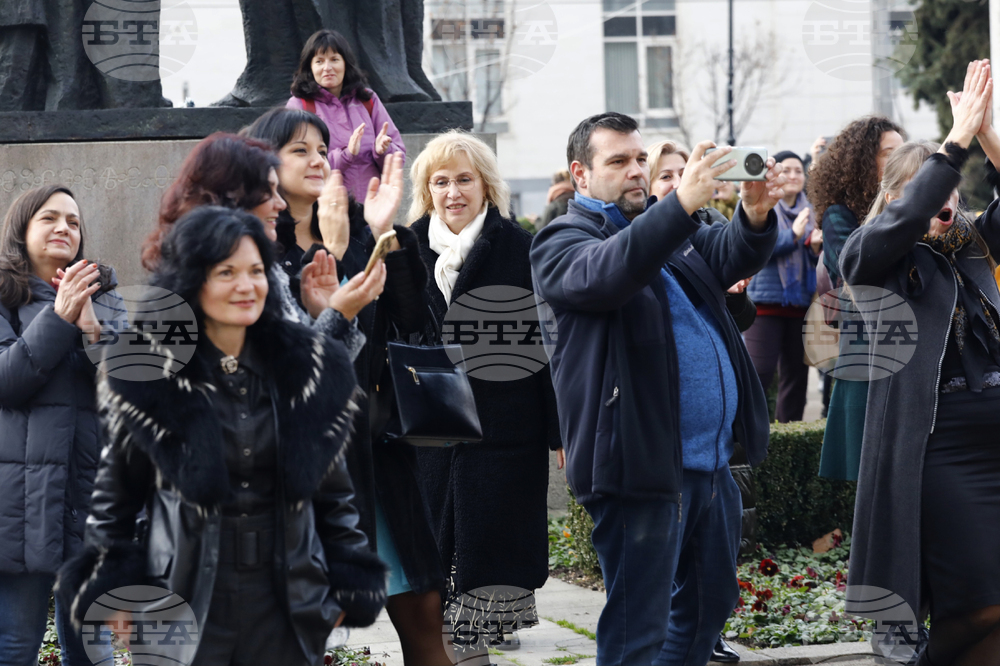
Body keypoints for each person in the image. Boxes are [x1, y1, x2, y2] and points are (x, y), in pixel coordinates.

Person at [57, 207, 388, 666]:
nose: (246, 285)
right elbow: (116, 501)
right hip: (181, 597)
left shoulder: (307, 370)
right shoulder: (148, 377)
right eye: (226, 272)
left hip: (287, 601)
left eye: (256, 271)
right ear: (194, 280)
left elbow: (334, 496)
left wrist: (348, 583)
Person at [531, 112, 782, 665]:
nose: (636, 172)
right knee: (636, 630)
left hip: (710, 466)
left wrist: (756, 214)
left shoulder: (668, 229)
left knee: (708, 608)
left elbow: (728, 255)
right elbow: (610, 272)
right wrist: (678, 206)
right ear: (580, 174)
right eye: (618, 162)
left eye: (640, 159)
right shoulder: (563, 239)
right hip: (637, 469)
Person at [246, 107, 451, 666]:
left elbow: (416, 326)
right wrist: (336, 255)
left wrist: (384, 234)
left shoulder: (364, 224)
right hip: (317, 468)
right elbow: (297, 348)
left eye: (320, 148)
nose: (317, 159)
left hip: (380, 445)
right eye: (299, 150)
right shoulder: (258, 247)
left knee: (424, 611)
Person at [843, 59, 1000, 666]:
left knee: (994, 609)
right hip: (940, 454)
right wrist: (953, 141)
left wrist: (985, 134)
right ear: (896, 199)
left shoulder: (973, 243)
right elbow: (903, 223)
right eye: (935, 194)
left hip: (994, 446)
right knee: (979, 603)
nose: (947, 207)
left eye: (954, 196)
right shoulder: (873, 256)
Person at [407, 131, 563, 652]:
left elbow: (544, 343)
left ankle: (487, 623)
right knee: (435, 529)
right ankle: (451, 628)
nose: (453, 191)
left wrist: (557, 428)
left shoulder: (519, 246)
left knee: (495, 529)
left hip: (506, 418)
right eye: (441, 181)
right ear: (428, 189)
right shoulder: (406, 248)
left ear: (486, 185)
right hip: (430, 421)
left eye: (464, 179)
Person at [0, 185, 123, 665]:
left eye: (73, 222)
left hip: (89, 498)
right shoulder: (5, 295)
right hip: (21, 502)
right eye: (49, 218)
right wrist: (59, 316)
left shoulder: (108, 299)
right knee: (15, 645)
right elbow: (7, 382)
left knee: (94, 652)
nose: (63, 228)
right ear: (22, 229)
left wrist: (93, 330)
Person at [647, 138, 754, 666]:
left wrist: (736, 295)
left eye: (681, 171)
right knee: (655, 604)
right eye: (664, 175)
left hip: (716, 458)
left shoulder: (702, 233)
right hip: (667, 457)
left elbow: (731, 323)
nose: (674, 181)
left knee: (715, 594)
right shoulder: (636, 241)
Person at [140, 132, 384, 360]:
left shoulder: (269, 270)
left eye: (323, 151)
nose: (280, 203)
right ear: (232, 196)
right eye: (269, 191)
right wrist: (339, 315)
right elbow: (281, 380)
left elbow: (311, 380)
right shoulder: (194, 279)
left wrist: (323, 314)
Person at [808, 116, 904, 481]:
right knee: (868, 477)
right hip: (866, 351)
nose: (899, 160)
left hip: (906, 347)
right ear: (864, 161)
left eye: (903, 152)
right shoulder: (839, 215)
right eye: (888, 153)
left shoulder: (918, 212)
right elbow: (857, 269)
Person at [743, 150, 821, 423]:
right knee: (759, 372)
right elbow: (756, 249)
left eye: (799, 170)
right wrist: (795, 236)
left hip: (800, 304)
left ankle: (788, 438)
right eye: (786, 170)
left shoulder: (812, 210)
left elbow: (816, 260)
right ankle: (743, 437)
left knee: (796, 379)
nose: (793, 175)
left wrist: (813, 248)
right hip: (765, 304)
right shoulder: (762, 206)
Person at [287, 29, 405, 201]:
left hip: (372, 208)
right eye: (319, 61)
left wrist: (382, 151)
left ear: (345, 63)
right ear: (310, 68)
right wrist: (346, 155)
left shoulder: (367, 99)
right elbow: (297, 163)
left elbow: (399, 159)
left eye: (334, 59)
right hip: (325, 208)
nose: (327, 68)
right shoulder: (300, 105)